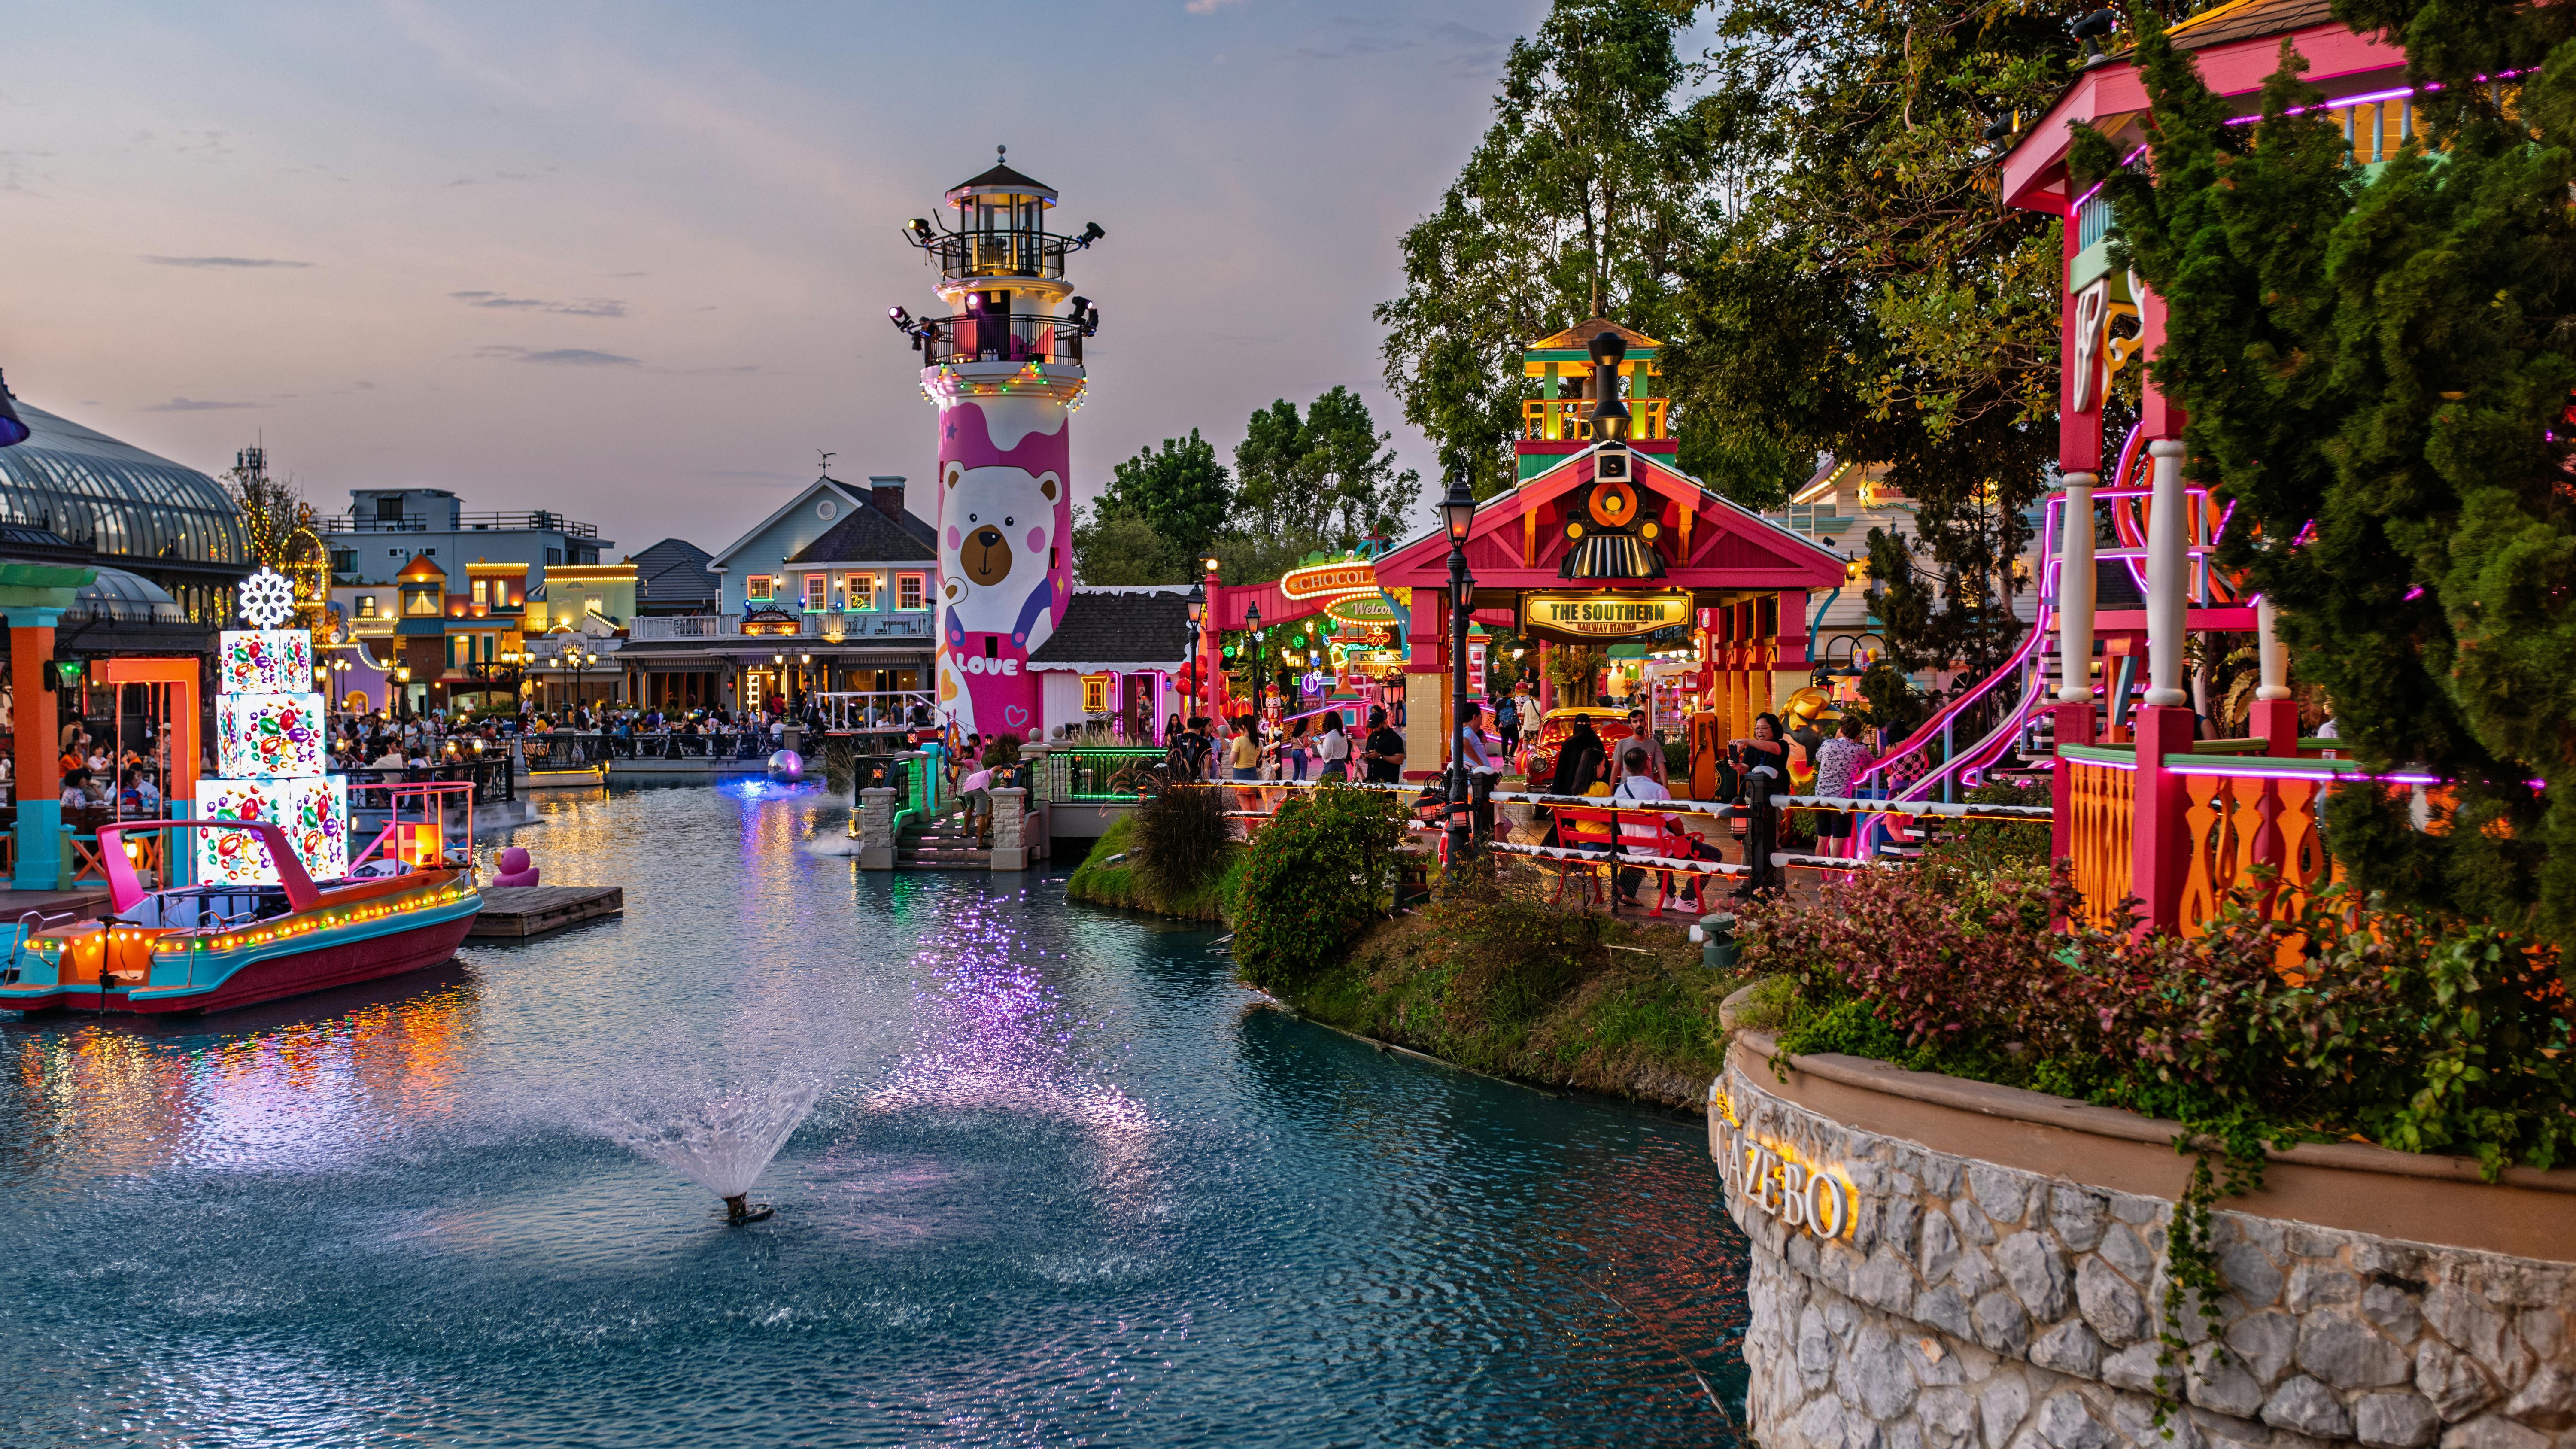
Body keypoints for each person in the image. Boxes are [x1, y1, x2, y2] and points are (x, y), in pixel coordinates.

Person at [1811, 714, 1871, 856]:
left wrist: (1836, 739)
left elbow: (1818, 758)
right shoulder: (1859, 750)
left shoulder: (1828, 744)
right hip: (1841, 800)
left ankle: (1823, 876)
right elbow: (1872, 761)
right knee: (1839, 841)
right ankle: (1835, 875)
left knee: (1822, 841)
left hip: (1821, 799)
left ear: (1841, 729)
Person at [1457, 700, 1499, 838]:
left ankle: (1482, 850)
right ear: (1475, 717)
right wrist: (1481, 765)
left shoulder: (1460, 732)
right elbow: (1464, 744)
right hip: (1480, 786)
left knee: (1478, 823)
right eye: (1481, 717)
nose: (1482, 722)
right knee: (1497, 823)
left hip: (1473, 785)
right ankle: (1500, 855)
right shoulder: (1467, 731)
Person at [1612, 707, 1667, 788]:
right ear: (1630, 726)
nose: (1639, 724)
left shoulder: (1654, 744)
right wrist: (1611, 792)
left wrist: (1666, 790)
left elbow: (1661, 768)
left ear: (1645, 723)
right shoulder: (1622, 744)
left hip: (1647, 788)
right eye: (1635, 722)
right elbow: (1615, 770)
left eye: (1641, 721)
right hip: (1626, 789)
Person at [1361, 707, 1405, 785]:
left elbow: (1400, 759)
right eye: (1372, 728)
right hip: (1372, 781)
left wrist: (1380, 756)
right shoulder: (1372, 737)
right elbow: (1367, 762)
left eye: (1376, 727)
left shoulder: (1394, 738)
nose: (1374, 730)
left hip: (1387, 782)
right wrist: (1366, 757)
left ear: (1384, 723)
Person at [1315, 711, 1351, 782]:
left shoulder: (1331, 735)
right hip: (1342, 766)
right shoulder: (1342, 735)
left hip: (1332, 768)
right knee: (1340, 790)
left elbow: (1326, 755)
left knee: (1326, 790)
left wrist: (1319, 746)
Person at [1493, 691, 1521, 772]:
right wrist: (1518, 723)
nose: (1512, 694)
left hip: (1503, 726)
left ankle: (1505, 761)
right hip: (1512, 725)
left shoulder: (1499, 703)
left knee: (1504, 742)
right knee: (1516, 740)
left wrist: (1496, 725)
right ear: (1508, 693)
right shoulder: (1512, 702)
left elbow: (1497, 714)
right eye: (1511, 692)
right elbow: (1515, 713)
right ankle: (1510, 755)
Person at [1228, 716, 1262, 781]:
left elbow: (1233, 760)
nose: (1240, 731)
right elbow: (1256, 758)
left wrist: (1233, 748)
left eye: (1239, 729)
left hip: (1240, 773)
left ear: (1243, 727)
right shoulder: (1258, 742)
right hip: (1253, 772)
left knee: (1240, 792)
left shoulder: (1238, 740)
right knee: (1252, 792)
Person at [1281, 715, 1312, 783]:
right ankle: (1302, 790)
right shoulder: (1305, 733)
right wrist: (1311, 742)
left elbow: (1291, 744)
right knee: (1303, 772)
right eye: (1308, 724)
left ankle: (1293, 789)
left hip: (1294, 752)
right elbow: (1305, 745)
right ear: (1304, 725)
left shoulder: (1294, 734)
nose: (1308, 726)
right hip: (1301, 752)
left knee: (1296, 771)